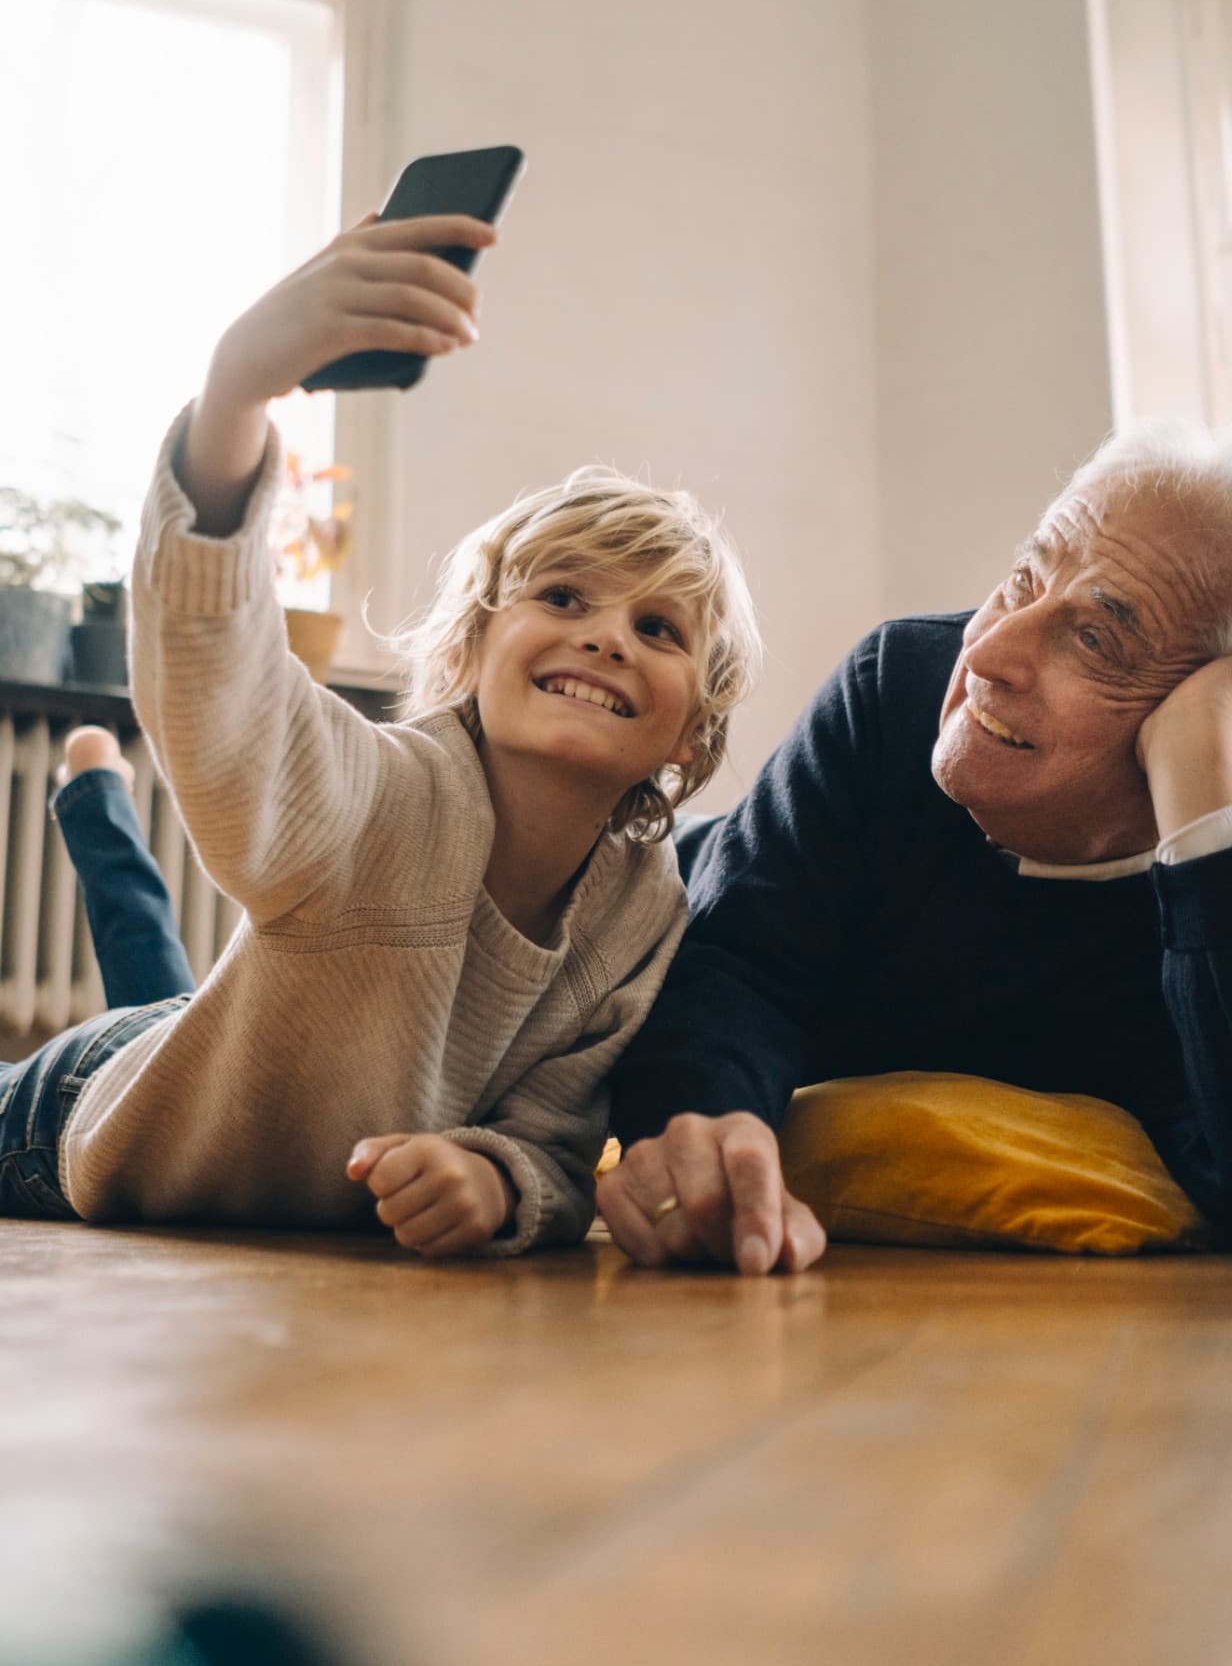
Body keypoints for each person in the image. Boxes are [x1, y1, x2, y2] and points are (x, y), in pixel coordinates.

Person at [0, 213, 758, 1257]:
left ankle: (95, 801)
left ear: (692, 734)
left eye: (657, 628)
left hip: (239, 1070)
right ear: (471, 649)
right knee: (159, 1007)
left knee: (176, 993)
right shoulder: (377, 793)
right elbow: (231, 698)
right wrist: (236, 395)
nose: (607, 639)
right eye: (566, 596)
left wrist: (493, 1181)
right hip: (78, 1119)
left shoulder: (642, 910)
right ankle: (95, 798)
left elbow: (556, 1139)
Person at [596, 423, 1232, 1274]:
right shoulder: (898, 689)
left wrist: (1209, 765)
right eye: (1022, 580)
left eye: (1097, 639)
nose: (989, 650)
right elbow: (735, 965)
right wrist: (706, 1119)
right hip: (645, 887)